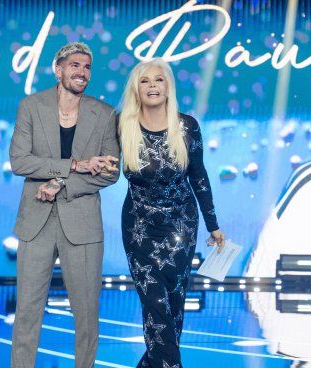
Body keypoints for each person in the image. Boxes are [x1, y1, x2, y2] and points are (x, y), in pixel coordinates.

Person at [9, 41, 120, 368]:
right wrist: (73, 166)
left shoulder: (105, 113)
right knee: (28, 310)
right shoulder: (30, 106)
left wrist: (59, 183)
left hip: (83, 225)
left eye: (87, 67)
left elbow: (110, 171)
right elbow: (19, 162)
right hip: (36, 222)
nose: (82, 72)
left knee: (86, 313)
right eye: (75, 65)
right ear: (58, 70)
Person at [118, 58, 225, 368]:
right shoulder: (121, 123)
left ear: (168, 87)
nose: (153, 86)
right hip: (139, 228)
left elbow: (199, 176)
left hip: (181, 228)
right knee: (155, 305)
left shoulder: (187, 125)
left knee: (173, 307)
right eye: (145, 81)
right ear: (136, 89)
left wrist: (213, 225)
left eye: (159, 80)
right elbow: (104, 166)